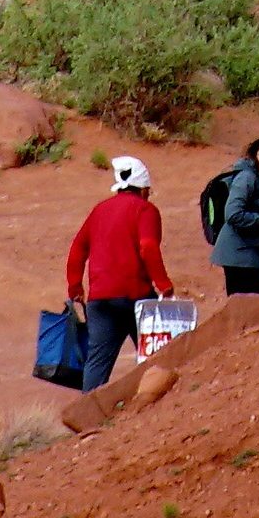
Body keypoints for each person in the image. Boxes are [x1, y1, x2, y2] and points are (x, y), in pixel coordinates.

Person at [59, 153, 168, 389]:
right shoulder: (145, 210)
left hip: (100, 298)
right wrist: (164, 284)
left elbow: (78, 248)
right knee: (157, 354)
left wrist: (75, 287)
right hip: (135, 295)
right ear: (142, 188)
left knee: (97, 362)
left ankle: (88, 415)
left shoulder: (99, 210)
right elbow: (148, 247)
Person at [196, 133, 259, 299]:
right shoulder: (247, 177)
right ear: (255, 155)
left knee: (250, 305)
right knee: (257, 305)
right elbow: (233, 214)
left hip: (246, 252)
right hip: (238, 254)